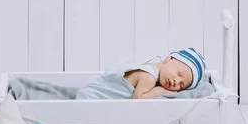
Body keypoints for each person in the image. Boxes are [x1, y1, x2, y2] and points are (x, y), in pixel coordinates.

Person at [75, 47, 206, 100]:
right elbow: (138, 101)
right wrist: (159, 91)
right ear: (169, 59)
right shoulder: (149, 76)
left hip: (89, 91)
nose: (176, 81)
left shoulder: (149, 66)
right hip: (91, 99)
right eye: (178, 73)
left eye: (182, 85)